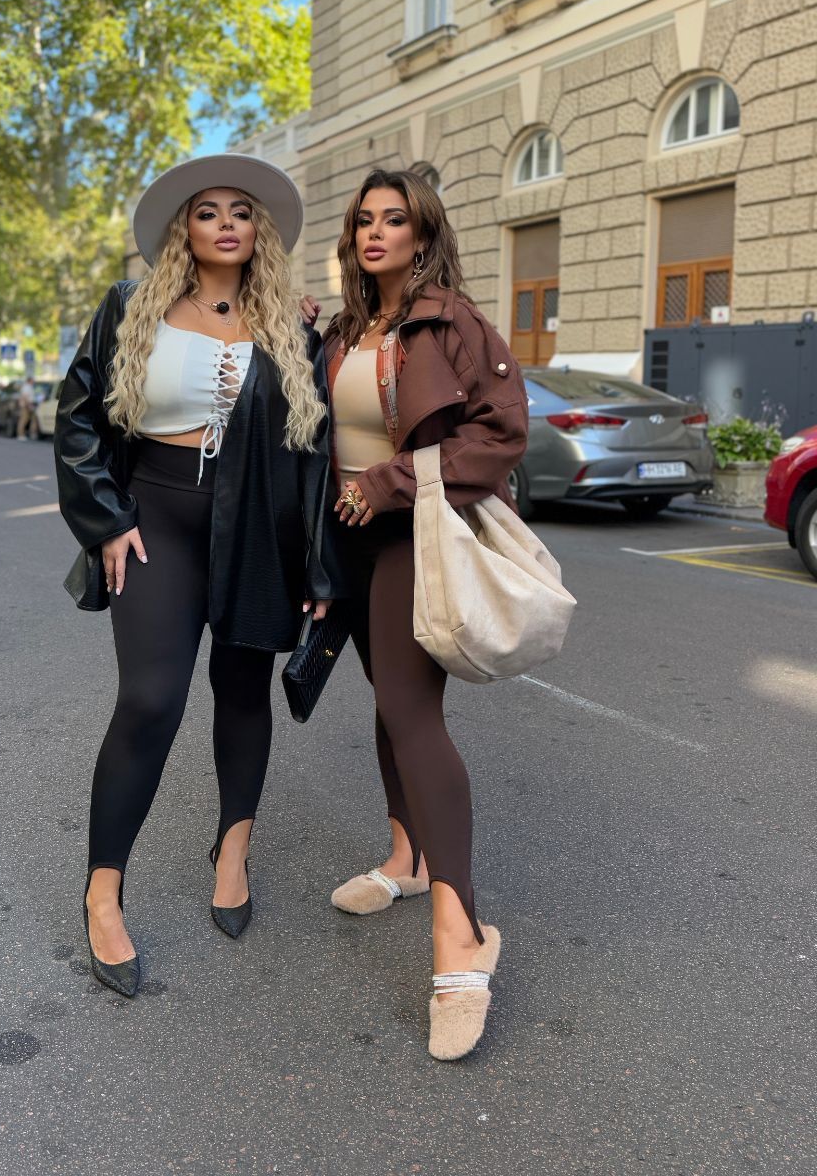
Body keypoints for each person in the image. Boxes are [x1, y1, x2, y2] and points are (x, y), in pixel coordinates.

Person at [54, 154, 334, 997]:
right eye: (207, 210)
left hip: (257, 525)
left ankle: (233, 850)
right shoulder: (129, 305)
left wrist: (317, 563)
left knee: (243, 689)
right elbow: (79, 419)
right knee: (150, 699)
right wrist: (106, 517)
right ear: (185, 227)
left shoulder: (289, 324)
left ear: (258, 231)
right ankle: (103, 893)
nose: (225, 223)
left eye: (240, 211)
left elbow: (314, 453)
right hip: (156, 519)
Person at [300, 168, 528, 1060]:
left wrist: (389, 482)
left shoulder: (451, 322)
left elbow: (500, 435)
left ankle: (462, 936)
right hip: (350, 545)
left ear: (423, 234)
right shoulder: (347, 331)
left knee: (411, 712)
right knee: (386, 708)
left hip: (413, 536)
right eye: (364, 219)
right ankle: (407, 859)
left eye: (394, 220)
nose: (375, 232)